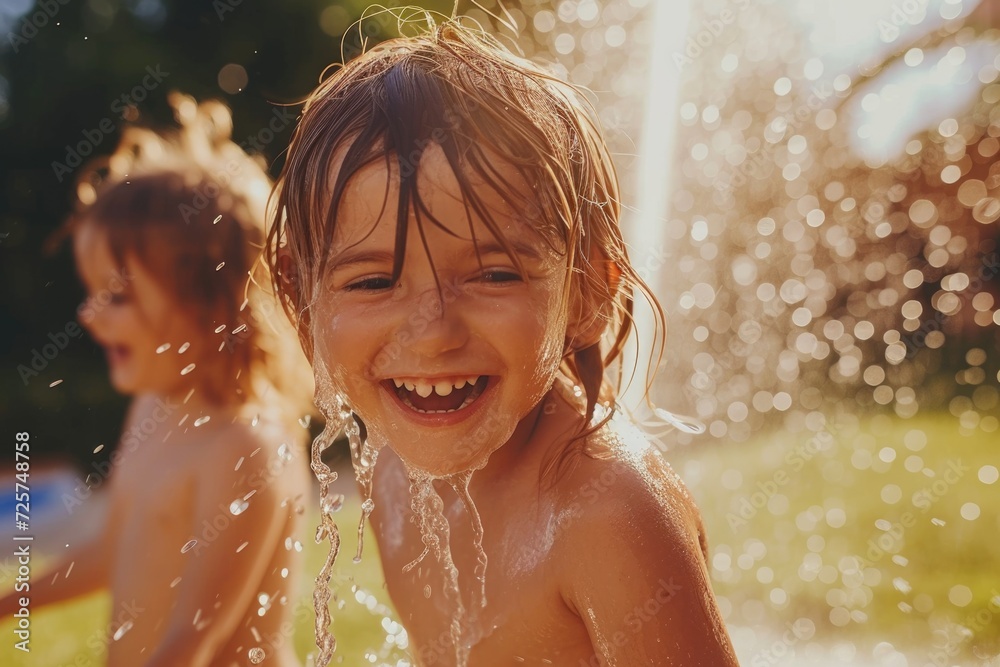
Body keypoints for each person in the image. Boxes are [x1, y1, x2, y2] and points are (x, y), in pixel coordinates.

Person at [268, 18, 739, 667]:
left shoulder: (605, 512)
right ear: (301, 299)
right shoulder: (397, 474)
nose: (432, 334)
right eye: (374, 281)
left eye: (493, 274)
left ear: (587, 294)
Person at [0, 93, 312, 667]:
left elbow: (195, 641)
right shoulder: (154, 403)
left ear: (214, 309)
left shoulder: (245, 448)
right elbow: (118, 549)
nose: (88, 315)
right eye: (91, 292)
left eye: (117, 296)